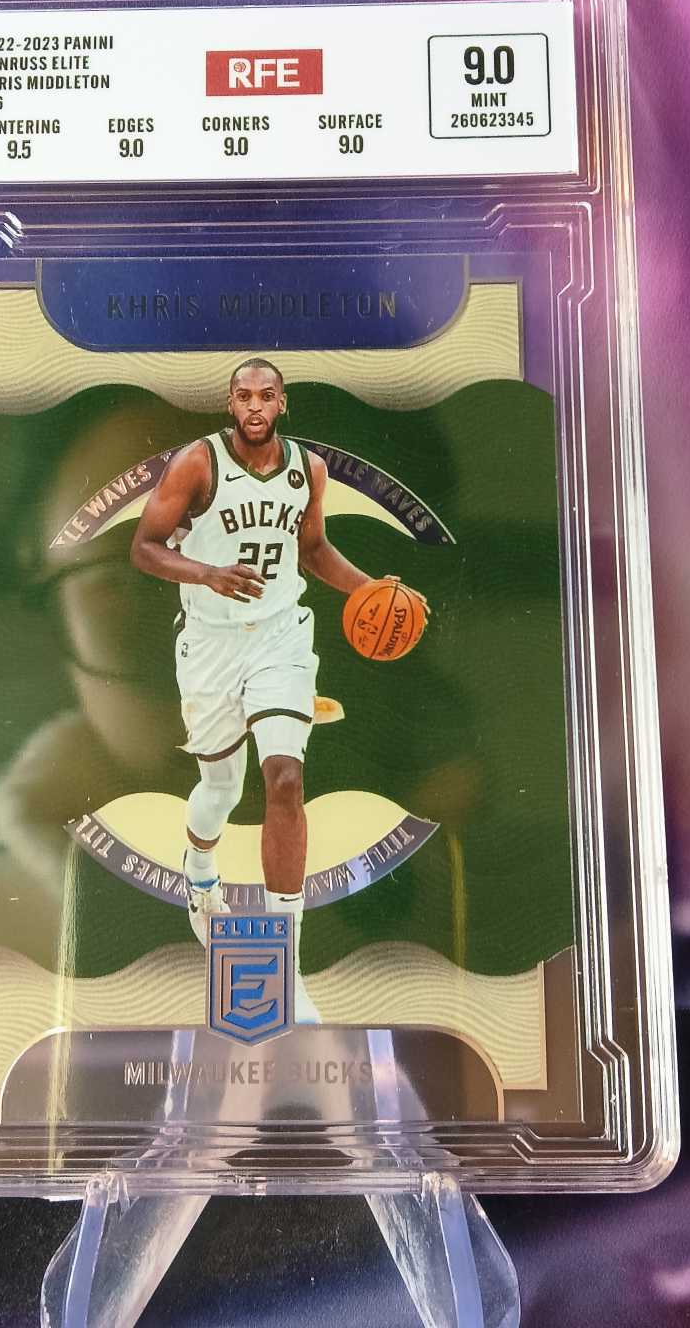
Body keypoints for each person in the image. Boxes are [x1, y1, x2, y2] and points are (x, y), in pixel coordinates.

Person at [130, 356, 424, 1022]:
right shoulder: (197, 463)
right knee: (221, 790)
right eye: (245, 396)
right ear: (230, 402)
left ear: (282, 403)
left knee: (286, 779)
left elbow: (313, 550)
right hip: (209, 643)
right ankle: (199, 875)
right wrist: (206, 573)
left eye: (267, 395)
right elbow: (144, 547)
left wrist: (377, 590)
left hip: (279, 636)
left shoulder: (308, 469)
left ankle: (283, 961)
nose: (256, 406)